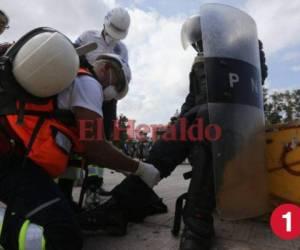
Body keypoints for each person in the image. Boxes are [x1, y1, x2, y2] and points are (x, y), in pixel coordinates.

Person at [80, 8, 269, 250]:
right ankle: (119, 206)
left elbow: (255, 79)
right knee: (163, 149)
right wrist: (175, 128)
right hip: (201, 120)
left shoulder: (241, 46)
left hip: (231, 125)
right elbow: (191, 99)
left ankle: (198, 221)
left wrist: (246, 47)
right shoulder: (199, 61)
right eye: (196, 42)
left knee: (205, 127)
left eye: (202, 39)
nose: (198, 45)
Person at [0, 27, 160, 250]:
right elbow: (94, 146)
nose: (113, 90)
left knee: (63, 211)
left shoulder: (69, 79)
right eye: (118, 84)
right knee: (63, 235)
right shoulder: (89, 83)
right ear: (104, 67)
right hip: (10, 163)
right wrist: (139, 168)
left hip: (13, 153)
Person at [58, 7, 131, 207]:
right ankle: (64, 190)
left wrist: (112, 94)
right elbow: (70, 57)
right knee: (72, 138)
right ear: (105, 23)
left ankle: (94, 186)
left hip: (106, 102)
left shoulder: (122, 49)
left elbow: (123, 76)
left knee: (102, 140)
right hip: (81, 95)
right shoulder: (87, 37)